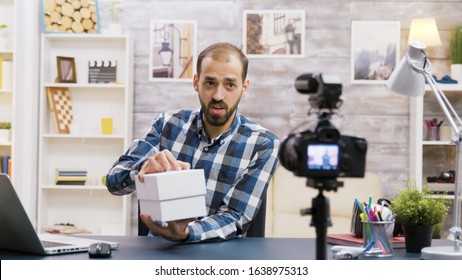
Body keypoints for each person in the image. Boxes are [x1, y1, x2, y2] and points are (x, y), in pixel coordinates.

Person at [106, 42, 279, 243]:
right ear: (196, 82)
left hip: (223, 256)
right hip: (160, 252)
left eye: (230, 84)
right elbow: (113, 182)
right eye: (210, 83)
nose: (218, 96)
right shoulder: (167, 125)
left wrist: (187, 233)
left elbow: (235, 216)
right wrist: (142, 168)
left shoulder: (263, 144)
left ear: (244, 88)